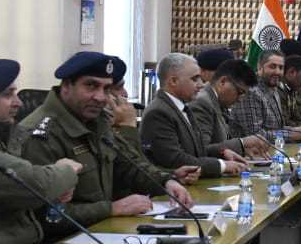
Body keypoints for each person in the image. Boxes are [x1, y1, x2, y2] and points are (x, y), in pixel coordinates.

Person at [17, 52, 195, 233]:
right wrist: (111, 209)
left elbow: (130, 165)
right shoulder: (39, 135)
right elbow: (43, 216)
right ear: (66, 86)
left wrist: (166, 182)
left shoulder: (97, 121)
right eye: (91, 86)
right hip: (63, 242)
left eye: (107, 88)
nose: (100, 97)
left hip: (102, 231)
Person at [0, 59, 80, 244]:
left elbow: (21, 190)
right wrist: (66, 170)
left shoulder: (1, 134)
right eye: (7, 95)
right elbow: (35, 185)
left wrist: (54, 188)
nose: (19, 102)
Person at [141, 53, 248, 178]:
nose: (201, 84)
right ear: (173, 81)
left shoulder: (183, 107)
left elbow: (197, 151)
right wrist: (222, 165)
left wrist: (223, 153)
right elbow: (175, 159)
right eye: (194, 79)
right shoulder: (158, 113)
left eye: (200, 79)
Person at [106, 58, 201, 187]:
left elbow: (141, 166)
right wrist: (127, 127)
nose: (125, 94)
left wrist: (172, 175)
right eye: (118, 88)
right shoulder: (158, 111)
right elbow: (128, 173)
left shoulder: (184, 107)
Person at [188, 59, 268, 158]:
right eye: (239, 92)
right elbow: (201, 150)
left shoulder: (219, 101)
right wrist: (242, 143)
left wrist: (243, 149)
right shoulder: (202, 103)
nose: (240, 100)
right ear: (223, 82)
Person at [231, 50, 301, 141]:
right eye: (272, 66)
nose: (277, 72)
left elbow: (276, 128)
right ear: (260, 67)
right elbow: (254, 135)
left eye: (281, 68)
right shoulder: (251, 92)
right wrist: (290, 135)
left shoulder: (274, 88)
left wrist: (296, 130)